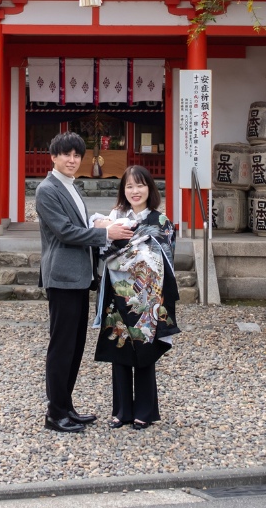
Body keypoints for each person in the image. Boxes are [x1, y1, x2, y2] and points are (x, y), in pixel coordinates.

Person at [35, 131, 133, 433]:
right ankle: (55, 413)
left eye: (77, 155)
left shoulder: (72, 186)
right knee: (62, 346)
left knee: (75, 346)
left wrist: (99, 223)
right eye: (66, 154)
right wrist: (106, 234)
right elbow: (65, 232)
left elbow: (79, 225)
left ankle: (66, 407)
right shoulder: (47, 189)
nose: (72, 160)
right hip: (62, 276)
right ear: (53, 156)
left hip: (78, 277)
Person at [93, 165, 180, 429]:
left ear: (150, 189)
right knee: (118, 349)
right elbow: (102, 249)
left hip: (147, 297)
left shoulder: (161, 222)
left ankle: (145, 410)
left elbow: (162, 260)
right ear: (123, 190)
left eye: (140, 185)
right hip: (118, 294)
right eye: (129, 186)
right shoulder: (115, 217)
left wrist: (126, 254)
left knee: (144, 350)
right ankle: (121, 411)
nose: (134, 191)